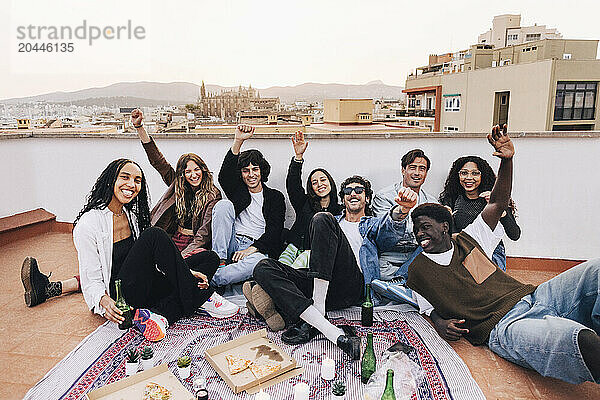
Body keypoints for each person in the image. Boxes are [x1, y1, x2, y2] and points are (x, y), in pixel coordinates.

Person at [405, 125, 600, 384]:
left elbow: (497, 202)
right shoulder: (418, 270)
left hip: (535, 296)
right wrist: (440, 323)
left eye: (425, 227)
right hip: (503, 326)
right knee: (580, 339)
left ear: (444, 226)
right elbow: (427, 309)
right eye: (416, 229)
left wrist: (507, 161)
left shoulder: (470, 238)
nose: (420, 234)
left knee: (595, 270)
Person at [21, 159, 229, 342]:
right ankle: (201, 297)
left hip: (145, 283)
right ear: (112, 180)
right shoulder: (89, 224)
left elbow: (147, 261)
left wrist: (183, 272)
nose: (132, 185)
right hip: (122, 293)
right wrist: (103, 301)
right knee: (154, 235)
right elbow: (90, 276)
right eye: (125, 177)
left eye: (137, 180)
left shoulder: (132, 216)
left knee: (209, 259)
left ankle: (160, 315)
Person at [250, 175, 418, 360]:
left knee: (322, 218)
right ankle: (329, 329)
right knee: (262, 267)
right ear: (343, 198)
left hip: (351, 285)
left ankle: (310, 312)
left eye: (359, 190)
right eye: (348, 191)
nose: (353, 194)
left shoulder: (371, 224)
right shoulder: (332, 222)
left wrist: (401, 210)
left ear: (367, 198)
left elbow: (389, 232)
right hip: (320, 284)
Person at [132, 109, 237, 317]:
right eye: (188, 171)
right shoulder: (175, 185)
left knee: (203, 263)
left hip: (193, 246)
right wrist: (139, 127)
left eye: (196, 169)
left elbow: (203, 234)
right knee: (162, 273)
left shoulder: (212, 193)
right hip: (170, 240)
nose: (193, 174)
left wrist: (181, 257)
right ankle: (196, 296)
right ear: (182, 174)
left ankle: (167, 305)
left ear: (203, 170)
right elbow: (157, 161)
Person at [210, 124, 286, 287]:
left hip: (255, 249)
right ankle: (218, 261)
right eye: (246, 170)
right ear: (241, 174)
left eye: (255, 169)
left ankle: (213, 279)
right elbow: (224, 175)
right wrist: (238, 141)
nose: (251, 174)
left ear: (262, 171)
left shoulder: (275, 197)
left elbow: (275, 230)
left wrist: (251, 249)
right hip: (232, 242)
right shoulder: (238, 192)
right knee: (223, 205)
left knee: (260, 262)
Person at [439, 155, 520, 270]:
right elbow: (450, 235)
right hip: (461, 248)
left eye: (475, 173)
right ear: (457, 176)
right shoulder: (452, 199)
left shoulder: (493, 199)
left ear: (483, 176)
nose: (469, 178)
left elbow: (515, 234)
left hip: (491, 251)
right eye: (464, 173)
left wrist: (499, 210)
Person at [278, 130, 342, 267]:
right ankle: (258, 288)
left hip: (313, 253)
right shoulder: (304, 203)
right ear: (311, 187)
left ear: (330, 182)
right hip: (293, 247)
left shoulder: (339, 210)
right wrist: (298, 157)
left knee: (293, 271)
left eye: (323, 180)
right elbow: (292, 184)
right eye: (314, 182)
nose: (320, 184)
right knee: (279, 268)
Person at [372, 149, 437, 281]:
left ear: (426, 173)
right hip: (389, 257)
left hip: (419, 256)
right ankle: (403, 282)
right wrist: (403, 209)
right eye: (412, 168)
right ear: (403, 170)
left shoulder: (432, 203)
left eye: (422, 169)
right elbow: (383, 237)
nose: (417, 173)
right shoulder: (383, 196)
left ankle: (400, 281)